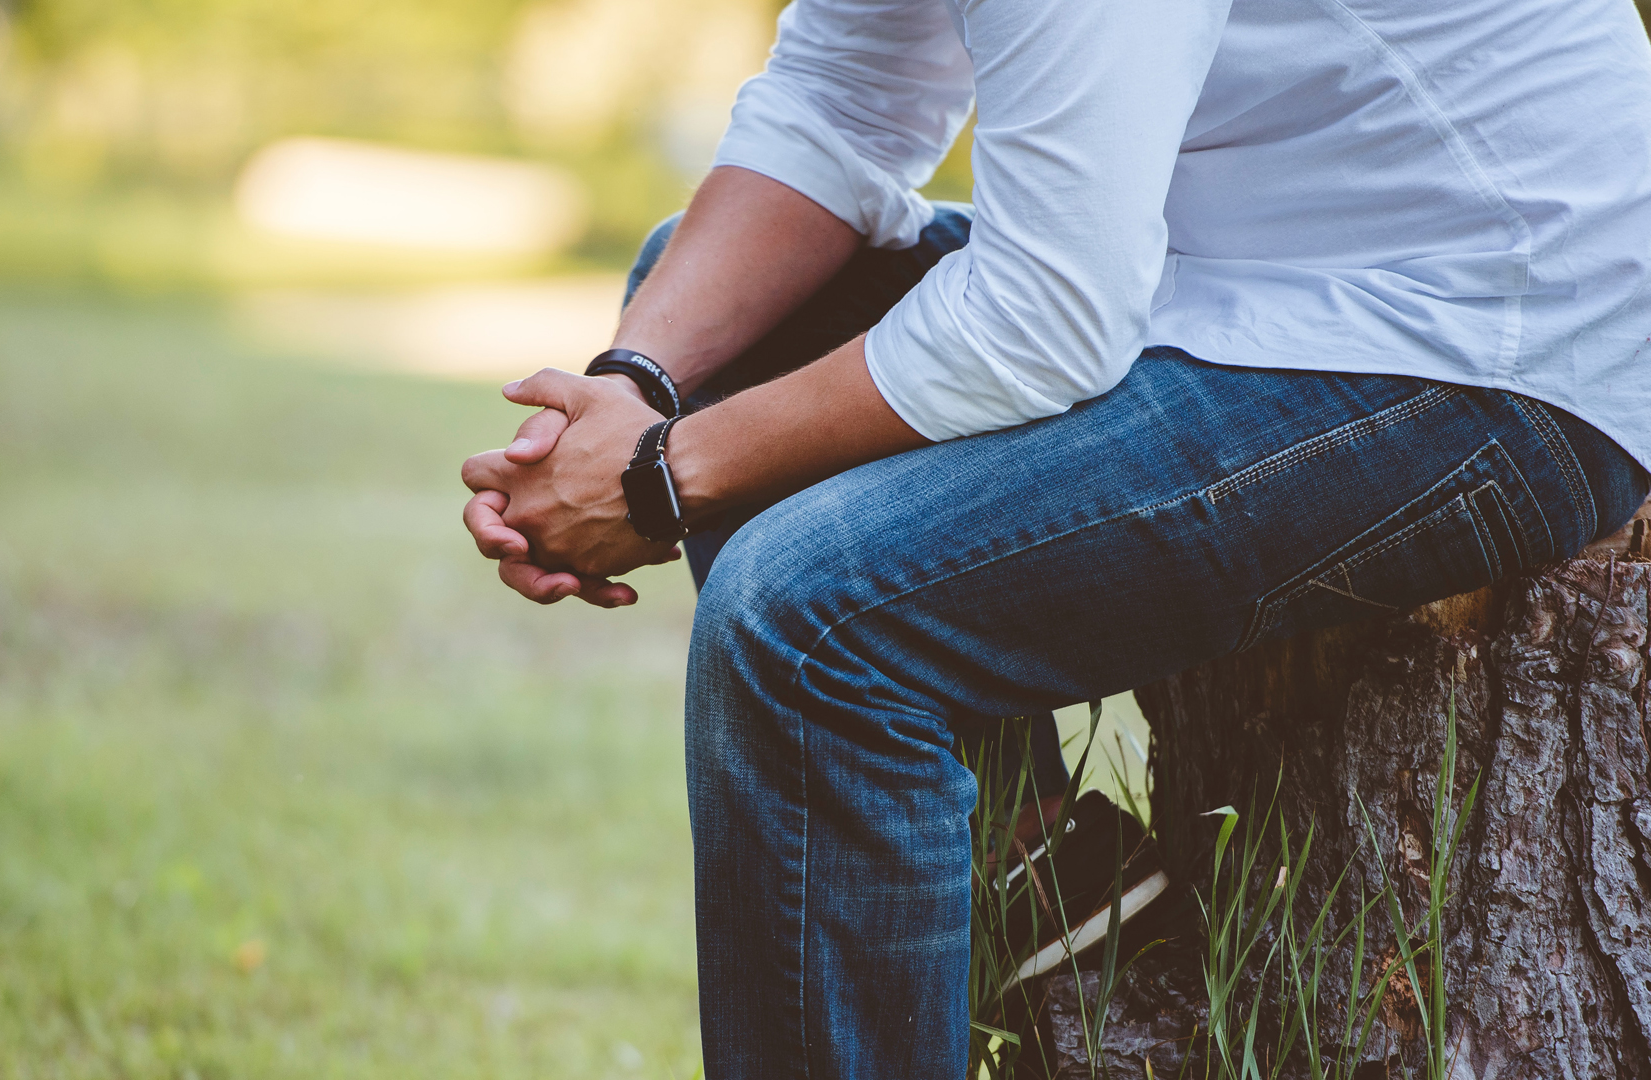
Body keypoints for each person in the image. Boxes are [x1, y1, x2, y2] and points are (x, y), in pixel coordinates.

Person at [460, 0, 1651, 1073]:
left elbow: (1047, 316)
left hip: (1491, 342)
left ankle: (1012, 889)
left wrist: (660, 481)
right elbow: (841, 101)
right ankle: (1043, 872)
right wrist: (637, 389)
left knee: (806, 624)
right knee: (710, 313)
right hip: (1247, 282)